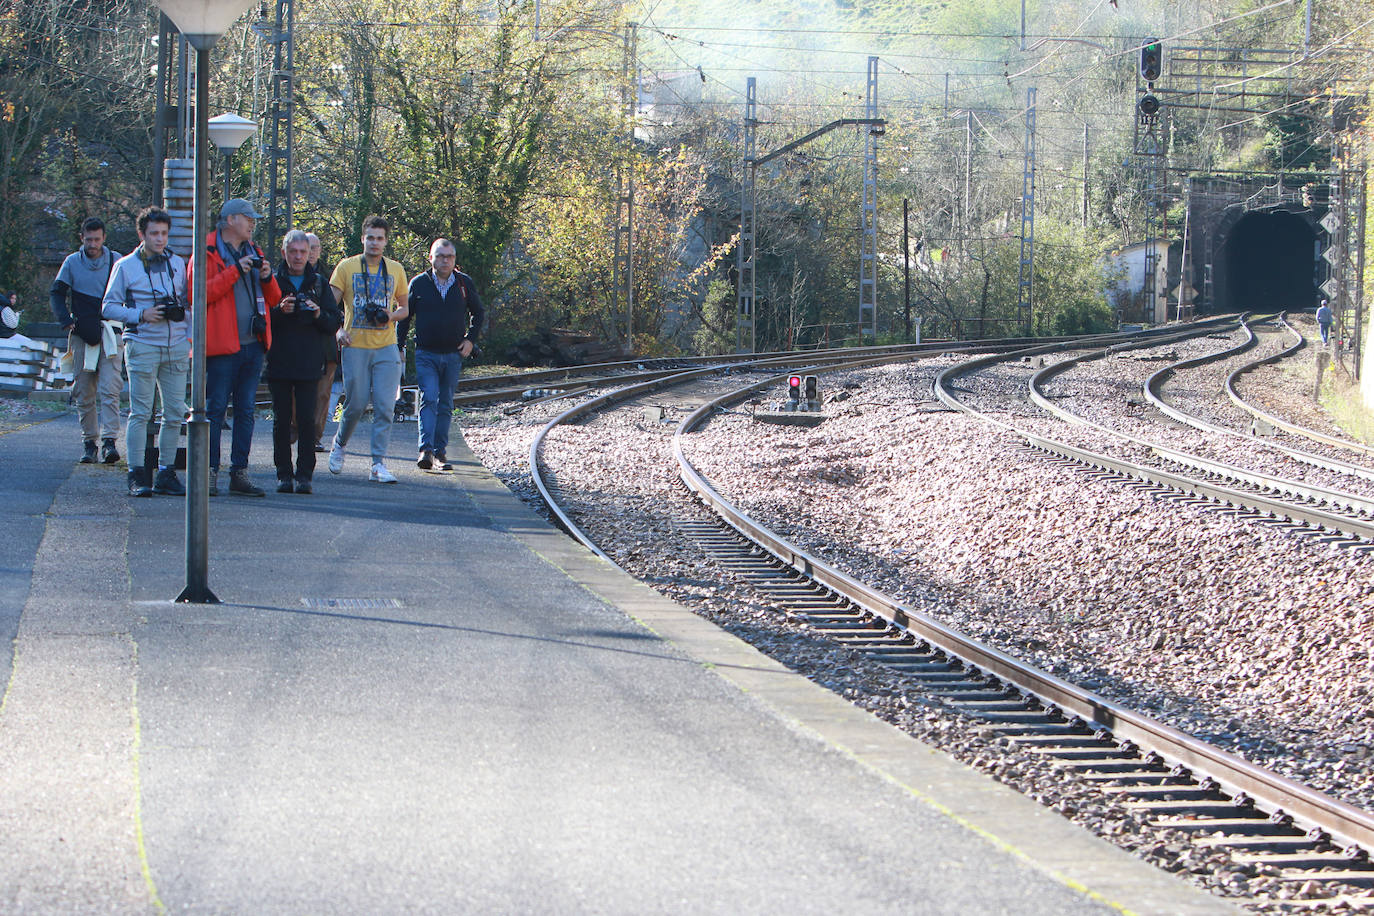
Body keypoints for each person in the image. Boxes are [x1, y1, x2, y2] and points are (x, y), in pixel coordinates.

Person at [195, 198, 281, 497]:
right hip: (221, 346)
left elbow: (274, 299)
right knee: (215, 409)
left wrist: (268, 276)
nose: (253, 223)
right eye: (248, 217)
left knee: (246, 411)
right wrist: (234, 271)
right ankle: (208, 473)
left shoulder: (253, 250)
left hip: (252, 345)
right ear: (231, 220)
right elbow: (199, 294)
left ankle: (239, 474)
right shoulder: (205, 249)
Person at [102, 206, 189, 498]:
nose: (160, 239)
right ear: (142, 234)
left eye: (164, 233)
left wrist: (186, 333)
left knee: (175, 412)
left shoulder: (178, 264)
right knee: (140, 412)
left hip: (176, 345)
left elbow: (187, 303)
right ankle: (137, 474)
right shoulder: (125, 266)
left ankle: (166, 472)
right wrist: (141, 314)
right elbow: (108, 307)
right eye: (154, 234)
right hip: (142, 344)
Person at [327, 214, 409, 483]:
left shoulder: (395, 269)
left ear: (386, 242)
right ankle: (340, 444)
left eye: (380, 238)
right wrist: (338, 330)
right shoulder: (347, 267)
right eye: (370, 238)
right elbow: (330, 307)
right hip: (355, 346)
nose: (375, 243)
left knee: (386, 406)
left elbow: (404, 308)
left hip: (386, 346)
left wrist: (390, 315)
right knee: (356, 403)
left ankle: (377, 463)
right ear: (363, 239)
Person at [268, 229, 340, 493]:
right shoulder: (272, 282)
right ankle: (283, 474)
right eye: (293, 252)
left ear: (310, 254)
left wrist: (319, 313)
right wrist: (280, 311)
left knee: (308, 419)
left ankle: (305, 475)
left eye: (303, 252)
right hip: (280, 360)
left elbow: (334, 322)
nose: (298, 257)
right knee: (281, 420)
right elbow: (260, 321)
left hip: (310, 362)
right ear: (284, 252)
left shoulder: (319, 283)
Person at [406, 238, 484, 471]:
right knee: (429, 398)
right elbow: (405, 317)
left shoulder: (463, 283)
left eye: (449, 256)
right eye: (440, 256)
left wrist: (470, 340)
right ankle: (425, 450)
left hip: (453, 354)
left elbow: (478, 313)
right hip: (426, 353)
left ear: (454, 259)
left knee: (446, 403)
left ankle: (440, 451)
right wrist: (398, 347)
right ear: (430, 258)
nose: (444, 260)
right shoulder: (419, 283)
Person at [51, 217, 123, 465]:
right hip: (82, 332)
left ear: (104, 238)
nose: (93, 244)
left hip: (111, 332)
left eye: (97, 239)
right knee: (83, 389)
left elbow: (130, 292)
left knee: (110, 387)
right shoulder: (72, 262)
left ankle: (110, 441)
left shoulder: (116, 261)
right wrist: (65, 320)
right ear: (82, 238)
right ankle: (89, 442)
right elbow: (57, 293)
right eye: (88, 239)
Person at [306, 232, 339, 452]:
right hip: (299, 342)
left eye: (315, 247)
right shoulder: (286, 274)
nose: (310, 252)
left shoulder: (329, 276)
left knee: (323, 393)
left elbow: (337, 311)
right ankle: (295, 429)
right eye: (307, 246)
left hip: (326, 342)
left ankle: (315, 436)